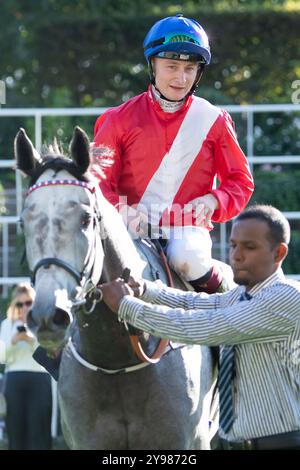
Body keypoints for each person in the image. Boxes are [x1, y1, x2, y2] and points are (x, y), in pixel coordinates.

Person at [100, 205, 300, 450]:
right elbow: (196, 302)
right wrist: (144, 289)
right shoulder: (242, 295)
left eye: (249, 247)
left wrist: (125, 305)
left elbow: (204, 326)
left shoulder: (287, 298)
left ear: (278, 253)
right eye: (234, 244)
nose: (236, 255)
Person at [92, 14, 254, 294]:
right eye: (171, 66)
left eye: (190, 69)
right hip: (127, 225)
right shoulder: (116, 120)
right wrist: (120, 209)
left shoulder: (213, 120)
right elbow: (97, 182)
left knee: (187, 259)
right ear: (152, 65)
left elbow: (240, 180)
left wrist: (214, 200)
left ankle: (231, 305)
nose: (181, 78)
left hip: (186, 228)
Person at [0, 283, 52, 450]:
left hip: (40, 380)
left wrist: (31, 340)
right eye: (20, 304)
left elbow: (50, 354)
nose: (24, 307)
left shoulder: (44, 324)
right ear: (15, 305)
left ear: (34, 303)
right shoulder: (7, 324)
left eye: (28, 302)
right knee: (16, 433)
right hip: (14, 381)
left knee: (39, 433)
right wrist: (14, 342)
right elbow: (2, 358)